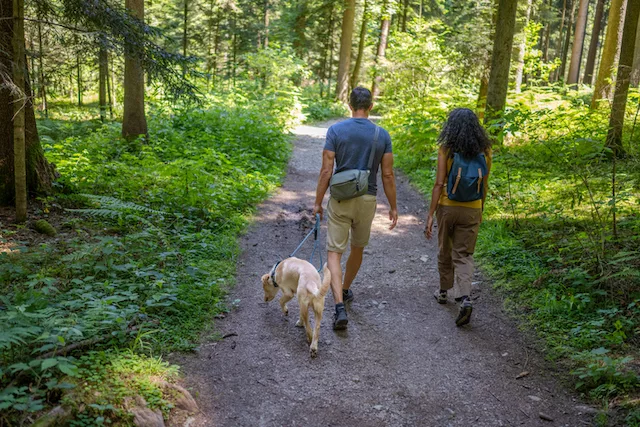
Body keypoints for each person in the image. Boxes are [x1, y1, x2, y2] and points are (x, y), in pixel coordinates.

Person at [313, 87, 398, 330]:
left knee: (334, 253)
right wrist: (393, 206)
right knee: (357, 248)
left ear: (349, 105)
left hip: (340, 199)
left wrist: (318, 202)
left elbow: (326, 171)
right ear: (371, 106)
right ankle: (346, 288)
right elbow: (388, 174)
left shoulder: (336, 130)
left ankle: (339, 305)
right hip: (367, 199)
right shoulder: (382, 135)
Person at [424, 108, 492, 327]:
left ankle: (443, 291)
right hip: (472, 207)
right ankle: (464, 297)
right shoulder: (486, 150)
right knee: (464, 254)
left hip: (447, 206)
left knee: (445, 248)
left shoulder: (447, 149)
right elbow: (485, 184)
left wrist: (430, 214)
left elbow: (438, 183)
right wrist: (480, 209)